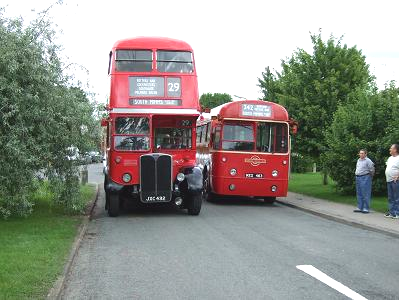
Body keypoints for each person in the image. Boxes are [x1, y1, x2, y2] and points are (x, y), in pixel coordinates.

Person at [354, 149, 375, 213]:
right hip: (358, 177)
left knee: (365, 193)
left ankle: (366, 208)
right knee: (359, 193)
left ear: (366, 154)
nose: (361, 154)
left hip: (365, 177)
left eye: (362, 153)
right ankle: (360, 207)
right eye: (360, 153)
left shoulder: (368, 161)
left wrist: (370, 177)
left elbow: (372, 169)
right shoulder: (359, 160)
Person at [384, 144, 399, 219]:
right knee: (390, 197)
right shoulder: (390, 158)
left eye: (391, 148)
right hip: (389, 180)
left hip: (396, 181)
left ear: (395, 150)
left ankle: (397, 213)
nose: (390, 149)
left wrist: (397, 176)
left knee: (396, 197)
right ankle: (391, 212)